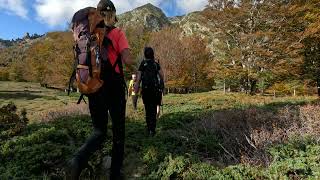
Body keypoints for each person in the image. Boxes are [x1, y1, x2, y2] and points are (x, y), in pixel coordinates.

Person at [69, 0, 133, 179]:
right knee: (118, 130)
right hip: (114, 86)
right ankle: (115, 173)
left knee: (99, 130)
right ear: (112, 14)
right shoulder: (117, 33)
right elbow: (127, 60)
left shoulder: (87, 34)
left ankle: (78, 161)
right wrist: (135, 67)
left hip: (94, 85)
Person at [134, 47, 164, 136]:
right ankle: (153, 130)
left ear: (145, 54)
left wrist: (136, 90)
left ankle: (148, 129)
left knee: (148, 109)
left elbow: (138, 79)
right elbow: (162, 75)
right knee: (154, 109)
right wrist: (162, 86)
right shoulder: (156, 64)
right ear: (152, 54)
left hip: (146, 90)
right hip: (155, 90)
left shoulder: (143, 64)